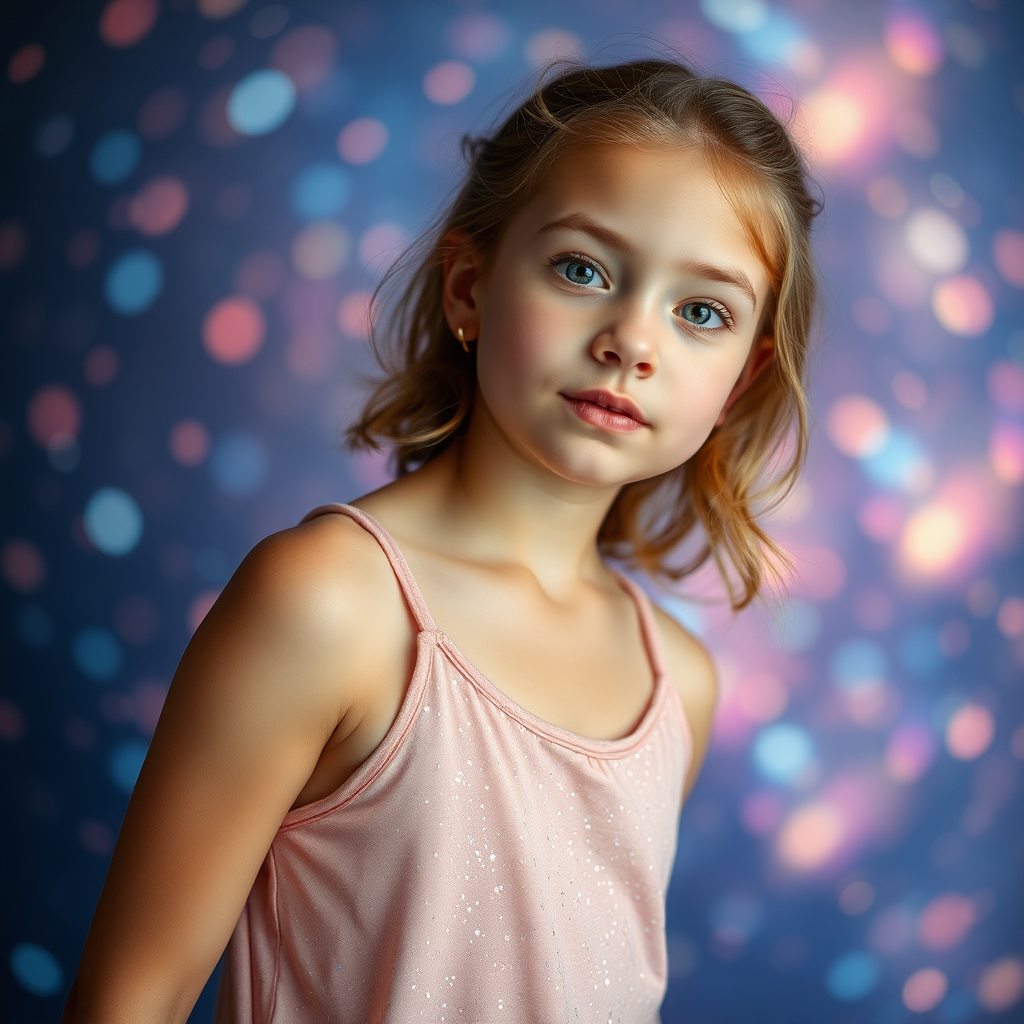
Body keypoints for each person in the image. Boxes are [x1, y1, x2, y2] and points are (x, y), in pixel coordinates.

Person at [61, 56, 818, 1024]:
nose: (633, 340)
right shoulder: (329, 600)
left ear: (741, 383)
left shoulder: (681, 682)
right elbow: (132, 1000)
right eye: (581, 269)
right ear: (468, 288)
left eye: (699, 311)